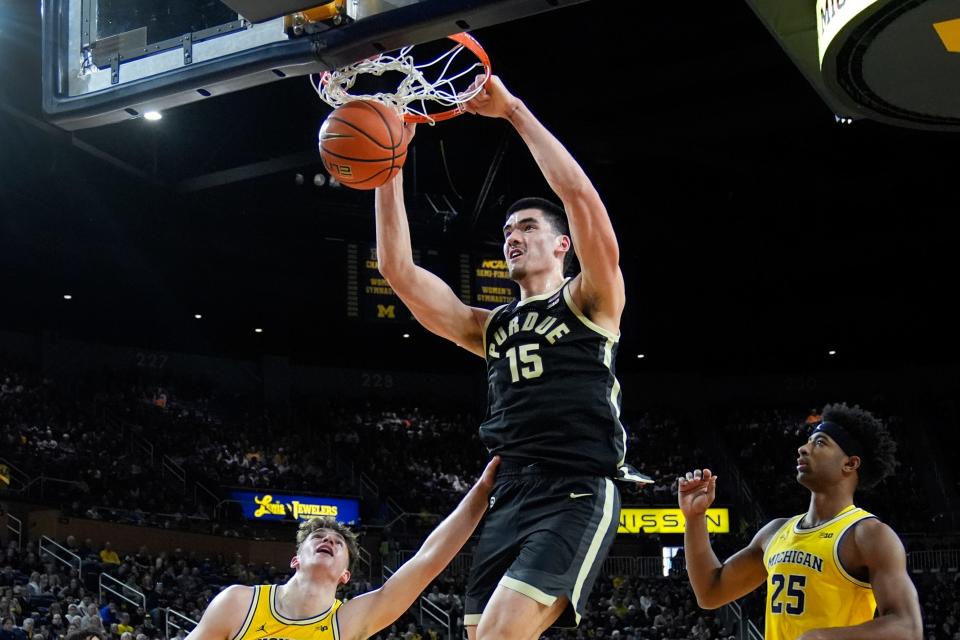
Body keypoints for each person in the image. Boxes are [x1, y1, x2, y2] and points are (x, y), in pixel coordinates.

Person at [374, 75, 650, 640]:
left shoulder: (590, 300)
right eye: (506, 231)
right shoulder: (490, 326)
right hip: (509, 492)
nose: (512, 237)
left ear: (561, 244)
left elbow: (581, 202)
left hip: (575, 485)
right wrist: (390, 162)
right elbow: (396, 271)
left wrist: (515, 112)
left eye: (527, 227)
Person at [678, 403, 922, 639]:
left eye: (819, 443)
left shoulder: (868, 534)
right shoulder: (774, 532)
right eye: (807, 442)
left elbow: (907, 627)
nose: (803, 449)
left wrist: (823, 638)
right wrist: (695, 517)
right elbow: (711, 591)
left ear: (850, 463)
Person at [185, 457, 498, 640]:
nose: (329, 540)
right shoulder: (238, 603)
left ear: (345, 575)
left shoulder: (347, 622)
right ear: (295, 559)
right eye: (319, 536)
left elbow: (427, 561)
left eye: (338, 543)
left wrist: (483, 491)